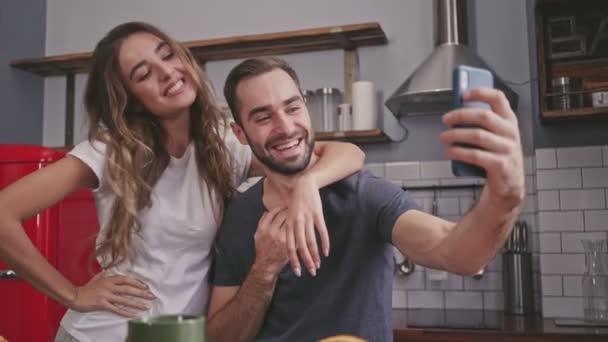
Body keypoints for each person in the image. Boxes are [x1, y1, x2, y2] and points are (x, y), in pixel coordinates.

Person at [0, 23, 365, 342]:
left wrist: (307, 185)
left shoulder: (224, 144)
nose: (167, 72)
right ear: (131, 98)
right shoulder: (114, 151)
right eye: (144, 74)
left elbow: (347, 154)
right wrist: (72, 295)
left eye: (167, 55)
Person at [206, 56, 525, 341]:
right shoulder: (239, 215)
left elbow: (458, 254)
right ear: (240, 134)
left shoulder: (364, 194)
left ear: (305, 104)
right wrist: (264, 269)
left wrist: (504, 198)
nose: (286, 127)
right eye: (263, 118)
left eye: (292, 107)